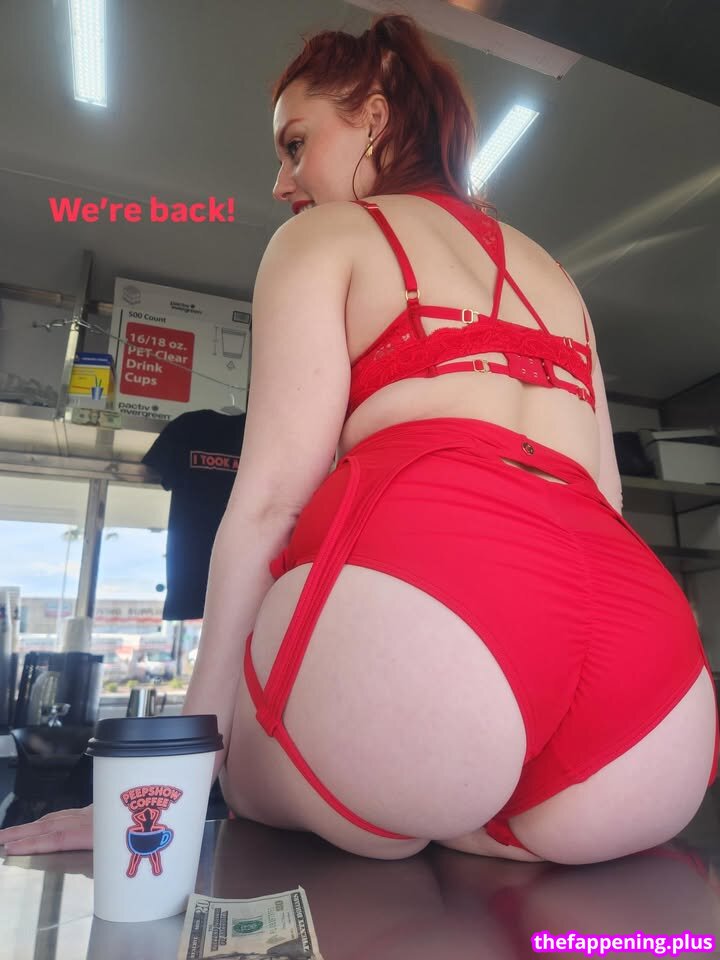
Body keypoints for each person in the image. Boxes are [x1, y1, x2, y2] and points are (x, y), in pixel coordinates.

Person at [1, 15, 716, 865]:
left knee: (270, 780)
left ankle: (437, 787)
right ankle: (476, 794)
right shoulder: (558, 276)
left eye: (296, 144)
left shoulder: (323, 237)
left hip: (437, 603)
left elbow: (268, 507)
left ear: (374, 117)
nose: (281, 182)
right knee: (516, 854)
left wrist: (175, 780)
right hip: (647, 674)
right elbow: (607, 495)